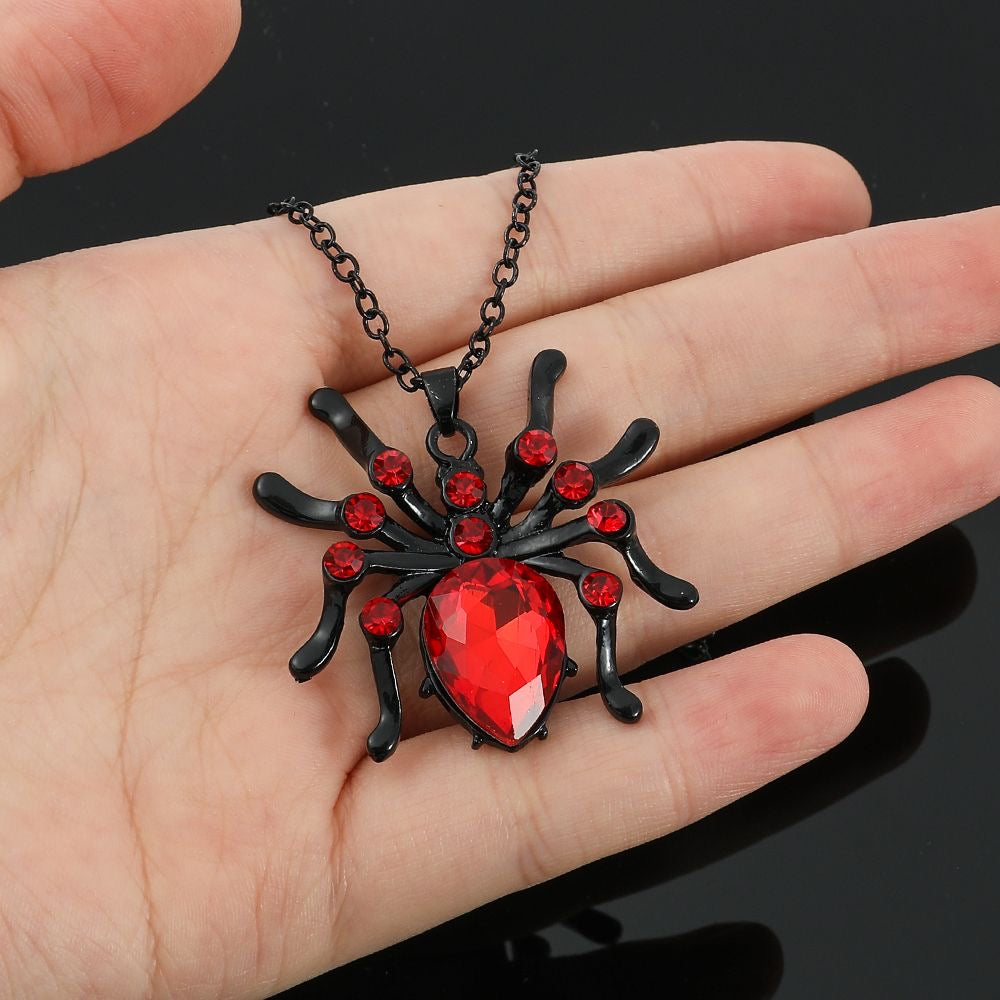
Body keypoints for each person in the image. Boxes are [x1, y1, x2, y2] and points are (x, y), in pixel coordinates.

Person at [1, 2, 998, 996]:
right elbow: (354, 551)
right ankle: (520, 684)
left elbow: (594, 503)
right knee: (390, 595)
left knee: (595, 564)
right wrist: (330, 585)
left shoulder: (513, 497)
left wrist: (628, 539)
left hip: (506, 598)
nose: (460, 479)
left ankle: (598, 670)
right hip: (467, 606)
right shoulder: (406, 524)